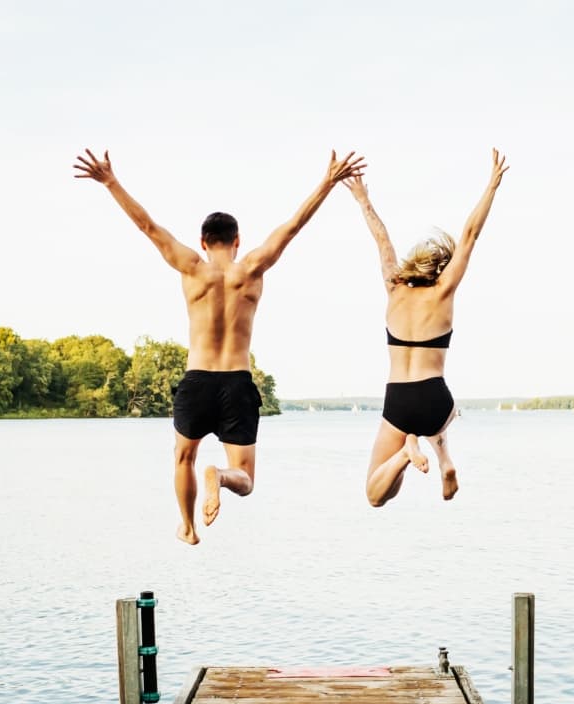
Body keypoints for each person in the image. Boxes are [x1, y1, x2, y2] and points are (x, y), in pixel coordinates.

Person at [74, 148, 366, 544]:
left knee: (183, 458)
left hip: (197, 381)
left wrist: (110, 182)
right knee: (245, 479)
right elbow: (293, 226)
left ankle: (189, 527)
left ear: (203, 241)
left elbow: (147, 226)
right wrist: (328, 182)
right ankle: (221, 477)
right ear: (238, 240)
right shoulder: (252, 267)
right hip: (237, 382)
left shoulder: (191, 266)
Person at [343, 149, 508, 507]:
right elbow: (470, 235)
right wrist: (492, 185)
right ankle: (444, 458)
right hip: (436, 397)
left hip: (399, 399)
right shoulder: (444, 292)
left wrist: (362, 199)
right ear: (439, 271)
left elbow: (382, 239)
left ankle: (405, 454)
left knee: (376, 494)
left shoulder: (393, 288)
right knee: (447, 413)